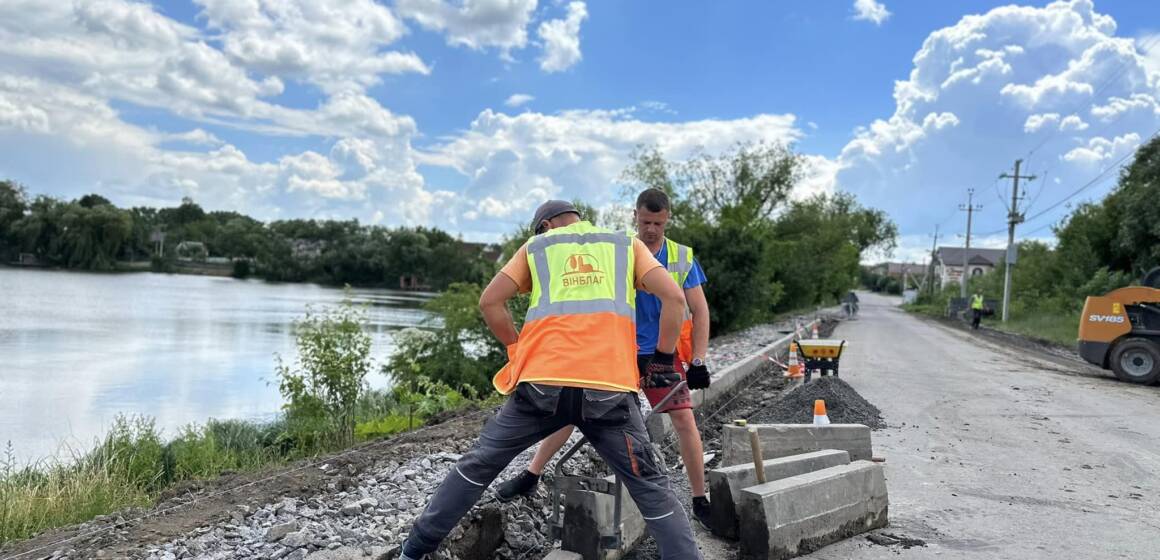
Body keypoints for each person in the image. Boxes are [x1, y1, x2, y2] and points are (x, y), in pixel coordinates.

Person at [393, 201, 703, 560]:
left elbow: (490, 302)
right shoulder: (624, 245)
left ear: (546, 225)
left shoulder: (537, 247)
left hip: (542, 386)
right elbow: (674, 298)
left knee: (478, 466)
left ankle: (413, 551)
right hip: (609, 391)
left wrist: (515, 350)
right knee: (651, 488)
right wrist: (663, 359)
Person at [495, 188, 715, 527]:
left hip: (661, 353)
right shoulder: (618, 248)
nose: (651, 229)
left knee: (684, 419)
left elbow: (699, 310)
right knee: (572, 409)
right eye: (645, 222)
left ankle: (700, 499)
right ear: (635, 217)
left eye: (657, 223)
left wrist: (698, 360)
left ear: (667, 219)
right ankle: (531, 473)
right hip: (616, 350)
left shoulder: (682, 257)